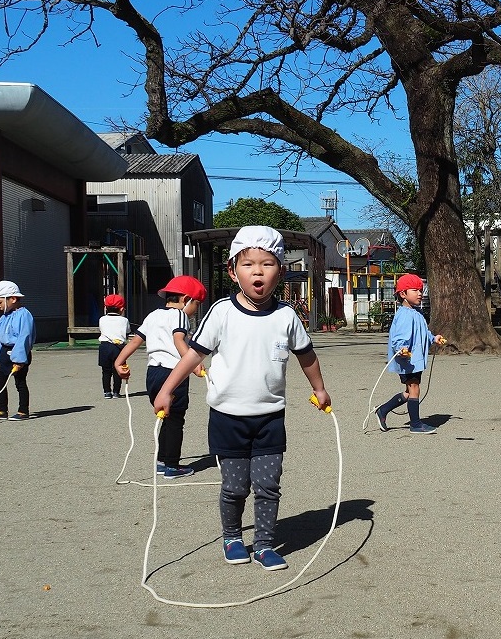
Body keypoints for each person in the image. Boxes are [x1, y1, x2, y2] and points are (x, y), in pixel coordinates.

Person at [153, 226, 332, 572]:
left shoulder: (287, 317)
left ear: (281, 270)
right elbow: (193, 355)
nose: (258, 272)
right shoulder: (221, 312)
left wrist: (319, 388)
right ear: (233, 271)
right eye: (248, 264)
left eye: (267, 263)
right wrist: (167, 389)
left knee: (268, 485)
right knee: (235, 487)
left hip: (270, 418)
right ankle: (233, 537)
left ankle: (264, 543)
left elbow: (307, 356)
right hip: (228, 418)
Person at [115, 275, 207, 479]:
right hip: (173, 373)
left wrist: (119, 361)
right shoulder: (180, 315)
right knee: (176, 419)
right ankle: (172, 466)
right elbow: (178, 340)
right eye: (197, 305)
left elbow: (135, 341)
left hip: (153, 373)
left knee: (166, 416)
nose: (195, 311)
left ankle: (162, 462)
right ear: (186, 299)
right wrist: (192, 363)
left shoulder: (153, 315)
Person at [374, 273, 447, 434]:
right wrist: (401, 349)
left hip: (415, 361)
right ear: (403, 294)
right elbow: (399, 337)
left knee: (409, 392)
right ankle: (415, 424)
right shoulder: (404, 315)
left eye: (421, 290)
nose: (420, 294)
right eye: (415, 290)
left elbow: (424, 332)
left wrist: (433, 338)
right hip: (407, 361)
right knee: (414, 388)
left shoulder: (417, 313)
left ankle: (383, 410)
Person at [0, 281, 36, 421]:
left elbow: (24, 337)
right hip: (4, 352)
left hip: (19, 352)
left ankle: (23, 411)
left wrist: (19, 360)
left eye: (0, 302)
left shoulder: (24, 315)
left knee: (20, 382)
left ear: (12, 299)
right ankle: (2, 409)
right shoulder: (4, 317)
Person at [98, 294, 130, 399]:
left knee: (106, 371)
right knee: (118, 369)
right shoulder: (124, 320)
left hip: (105, 346)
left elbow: (101, 329)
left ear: (106, 307)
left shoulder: (102, 319)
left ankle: (107, 392)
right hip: (119, 347)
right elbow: (128, 331)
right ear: (121, 309)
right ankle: (116, 392)